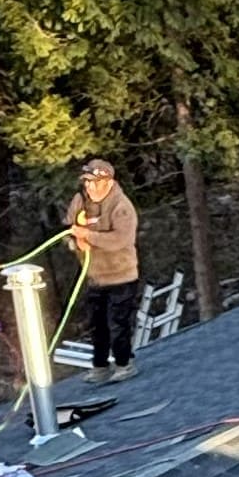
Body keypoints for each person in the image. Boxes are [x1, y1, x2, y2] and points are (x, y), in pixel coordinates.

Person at [64, 158, 141, 378]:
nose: (89, 186)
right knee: (96, 325)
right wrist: (73, 242)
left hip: (122, 276)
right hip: (95, 276)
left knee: (118, 324)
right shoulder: (80, 201)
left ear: (108, 181)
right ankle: (100, 367)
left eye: (94, 182)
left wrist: (88, 235)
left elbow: (120, 240)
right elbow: (68, 229)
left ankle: (124, 364)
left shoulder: (121, 206)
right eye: (86, 182)